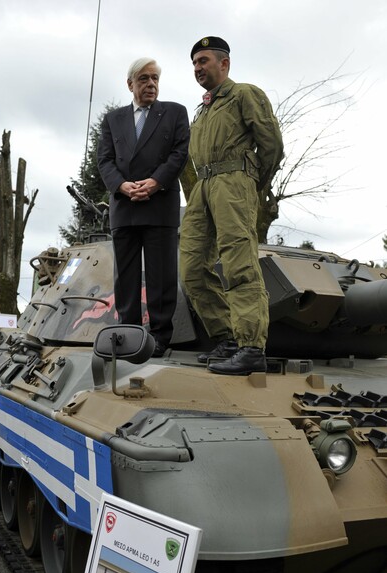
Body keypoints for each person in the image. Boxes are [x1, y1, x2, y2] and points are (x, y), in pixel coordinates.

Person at [180, 36, 284, 375]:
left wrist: (251, 183)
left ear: (224, 64)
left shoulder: (244, 94)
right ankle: (226, 337)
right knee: (192, 269)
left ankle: (251, 347)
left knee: (239, 265)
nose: (198, 68)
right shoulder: (203, 110)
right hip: (203, 187)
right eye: (194, 63)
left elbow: (271, 145)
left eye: (204, 61)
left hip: (233, 182)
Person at [97, 57, 190, 357]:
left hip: (159, 203)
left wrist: (154, 182)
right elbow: (105, 160)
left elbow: (179, 153)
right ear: (130, 84)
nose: (151, 84)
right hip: (124, 206)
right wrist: (122, 186)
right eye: (144, 79)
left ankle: (160, 337)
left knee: (161, 275)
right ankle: (127, 333)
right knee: (125, 277)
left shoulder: (175, 112)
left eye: (155, 79)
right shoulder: (113, 120)